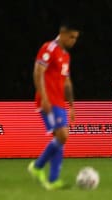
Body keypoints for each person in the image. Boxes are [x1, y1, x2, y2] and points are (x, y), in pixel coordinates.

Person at [28, 23, 79, 189]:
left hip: (60, 103)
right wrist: (44, 97)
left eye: (76, 38)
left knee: (60, 138)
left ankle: (53, 180)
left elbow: (67, 82)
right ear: (63, 34)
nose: (73, 41)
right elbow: (38, 71)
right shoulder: (49, 48)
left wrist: (71, 105)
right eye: (71, 37)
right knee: (62, 136)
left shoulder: (65, 56)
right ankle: (37, 167)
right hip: (48, 100)